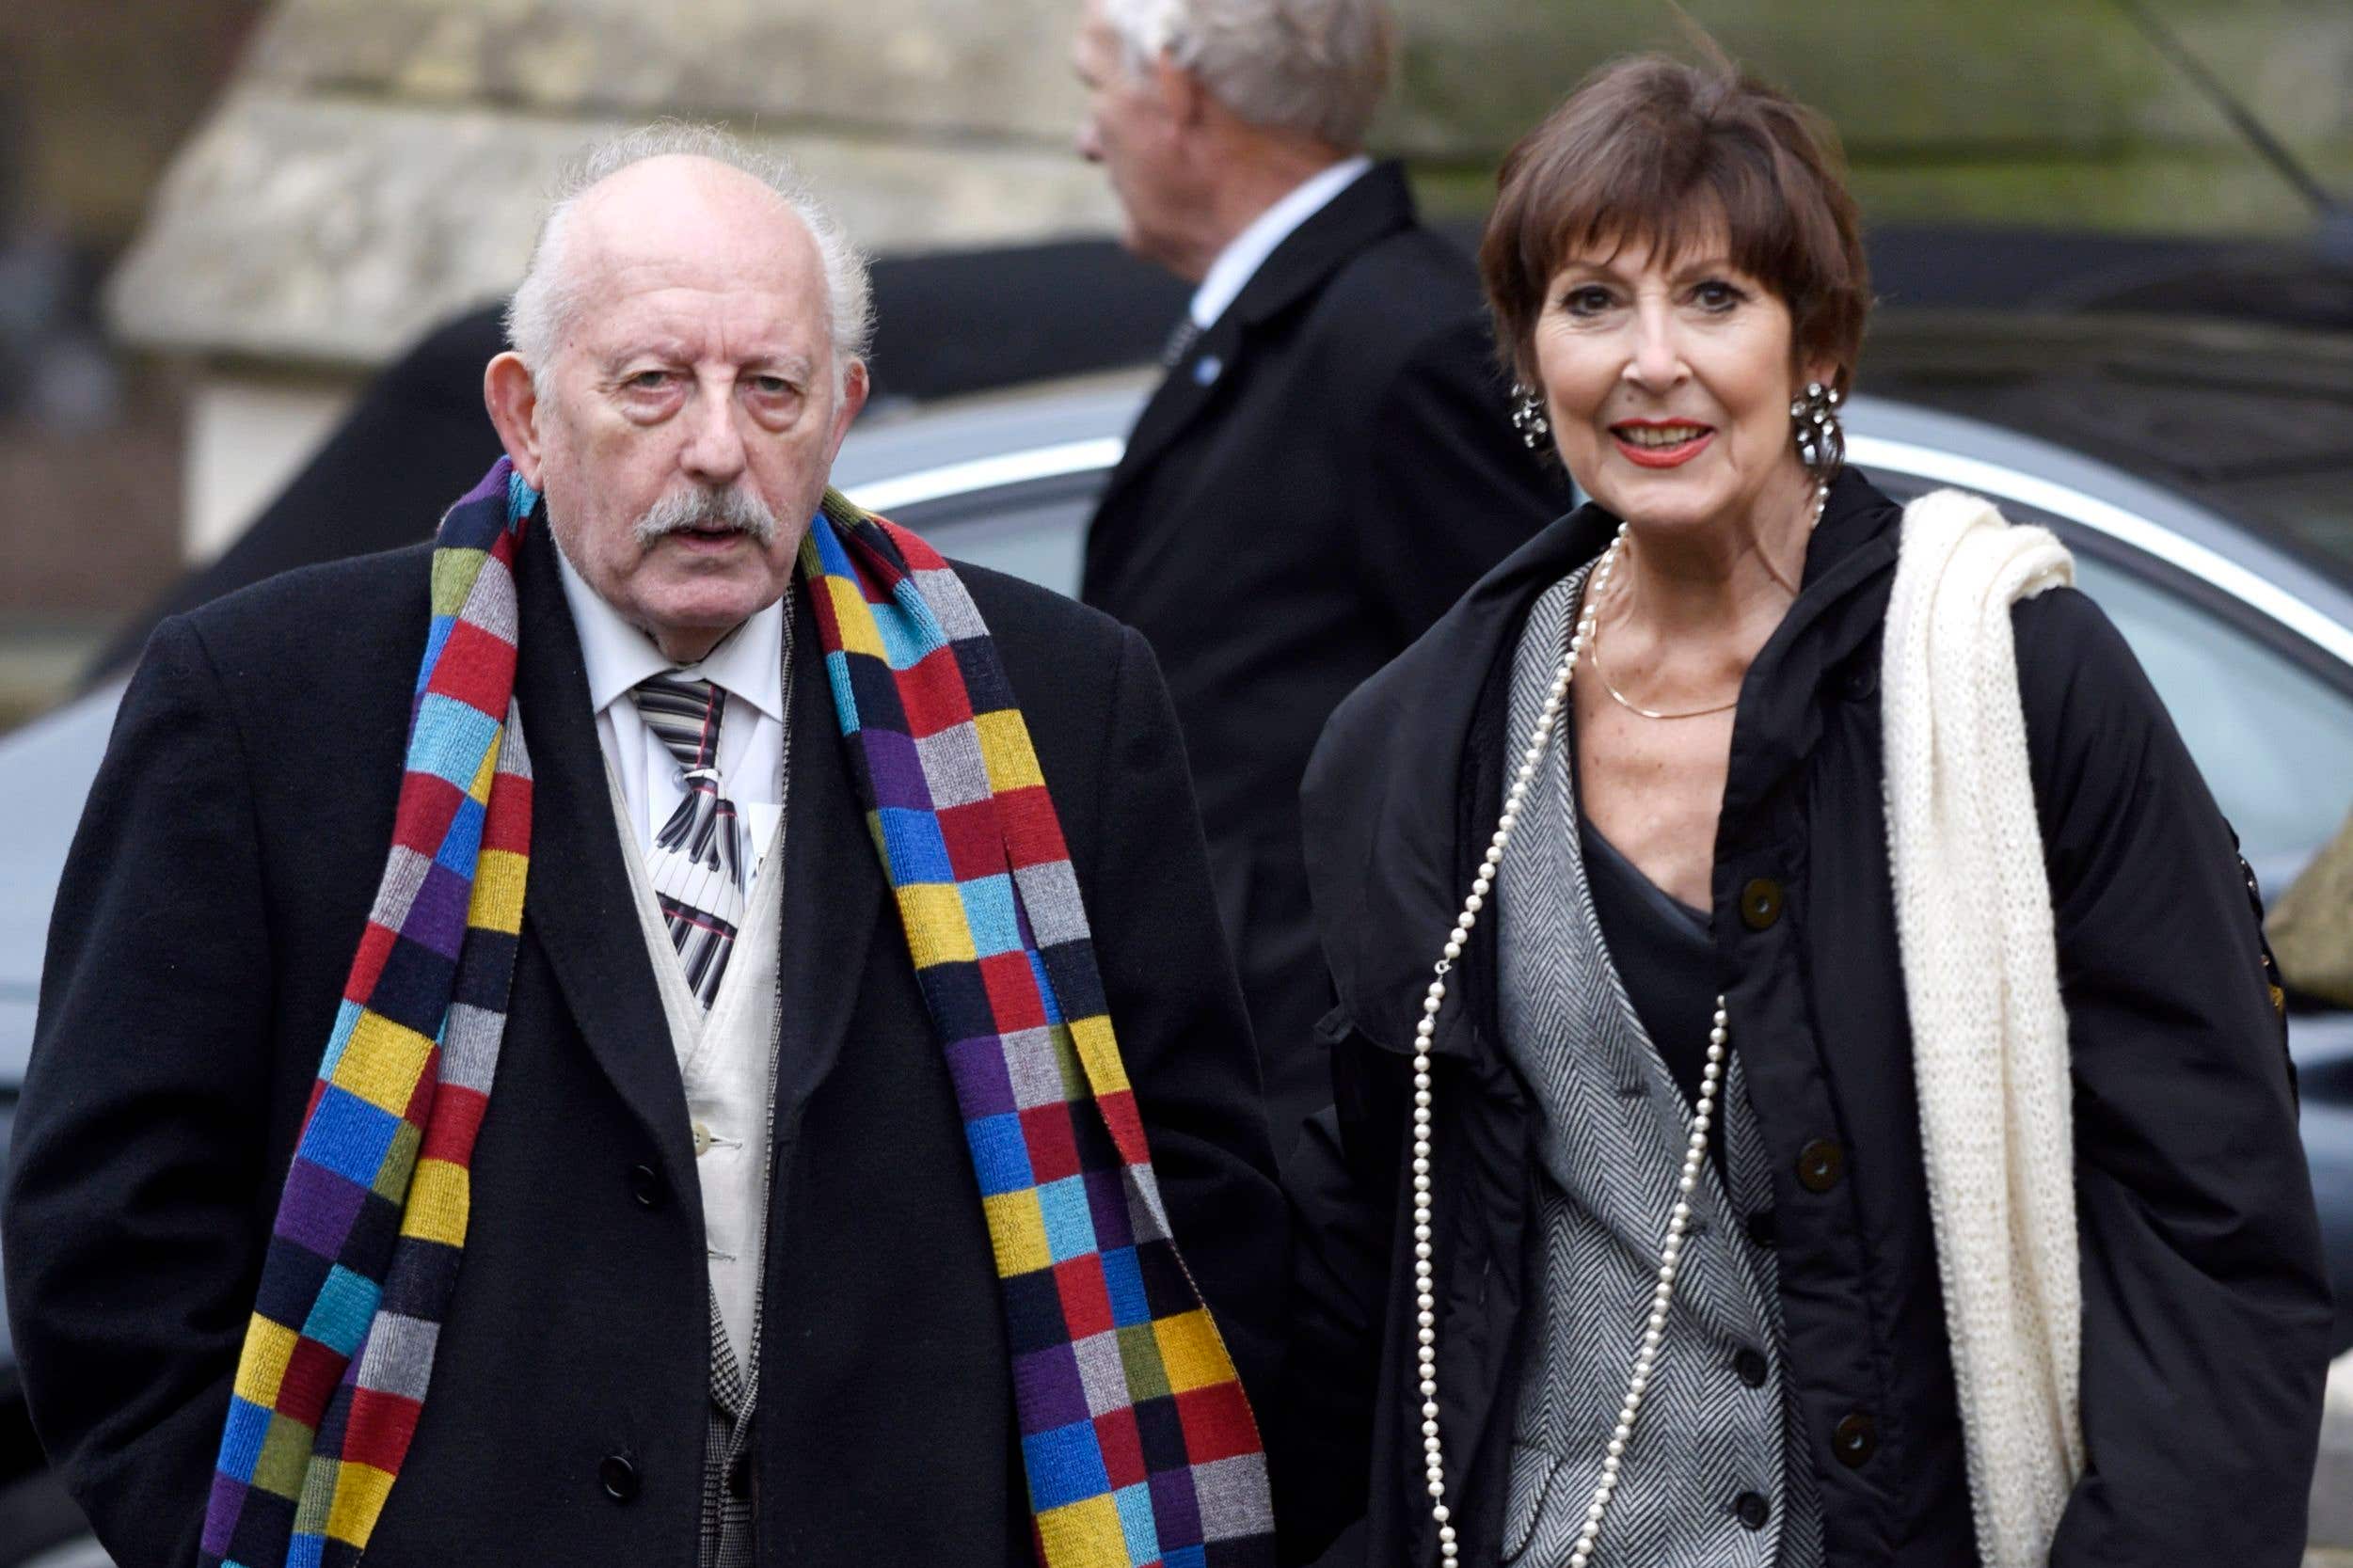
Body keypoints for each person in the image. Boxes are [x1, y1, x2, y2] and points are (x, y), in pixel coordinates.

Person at [4, 126, 1285, 1568]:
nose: (719, 448)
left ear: (843, 407)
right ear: (526, 412)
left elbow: (1197, 1183)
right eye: (653, 385)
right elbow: (108, 1224)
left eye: (772, 387)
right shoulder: (270, 705)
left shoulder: (1056, 697)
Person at [1276, 53, 2333, 1568]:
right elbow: (1368, 1254)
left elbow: (2211, 1222)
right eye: (1590, 302)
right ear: (1526, 356)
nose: (1652, 362)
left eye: (1714, 297)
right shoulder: (1415, 742)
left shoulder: (2013, 678)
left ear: (1816, 340)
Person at [1070, 0, 1568, 1156]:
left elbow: (1517, 745)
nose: (1090, 141)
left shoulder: (1403, 340)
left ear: (1180, 96)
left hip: (1319, 1106)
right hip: (1233, 1069)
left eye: (1096, 88)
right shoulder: (1305, 318)